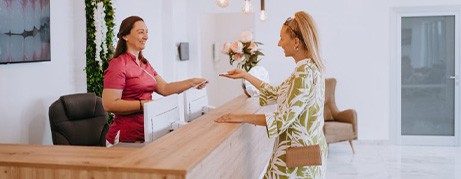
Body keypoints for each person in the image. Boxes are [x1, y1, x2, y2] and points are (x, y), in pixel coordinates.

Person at [216, 11, 327, 178]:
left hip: (297, 158)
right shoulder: (308, 68)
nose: (278, 43)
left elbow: (282, 120)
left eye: (282, 38)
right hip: (305, 153)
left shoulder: (303, 74)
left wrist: (241, 117)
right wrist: (245, 75)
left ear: (296, 42)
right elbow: (276, 92)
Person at [102, 16, 208, 145]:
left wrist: (191, 82)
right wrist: (144, 104)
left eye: (147, 32)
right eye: (141, 32)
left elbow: (165, 88)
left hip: (148, 131)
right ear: (125, 36)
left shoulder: (144, 63)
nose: (146, 37)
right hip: (126, 136)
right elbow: (109, 104)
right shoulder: (118, 65)